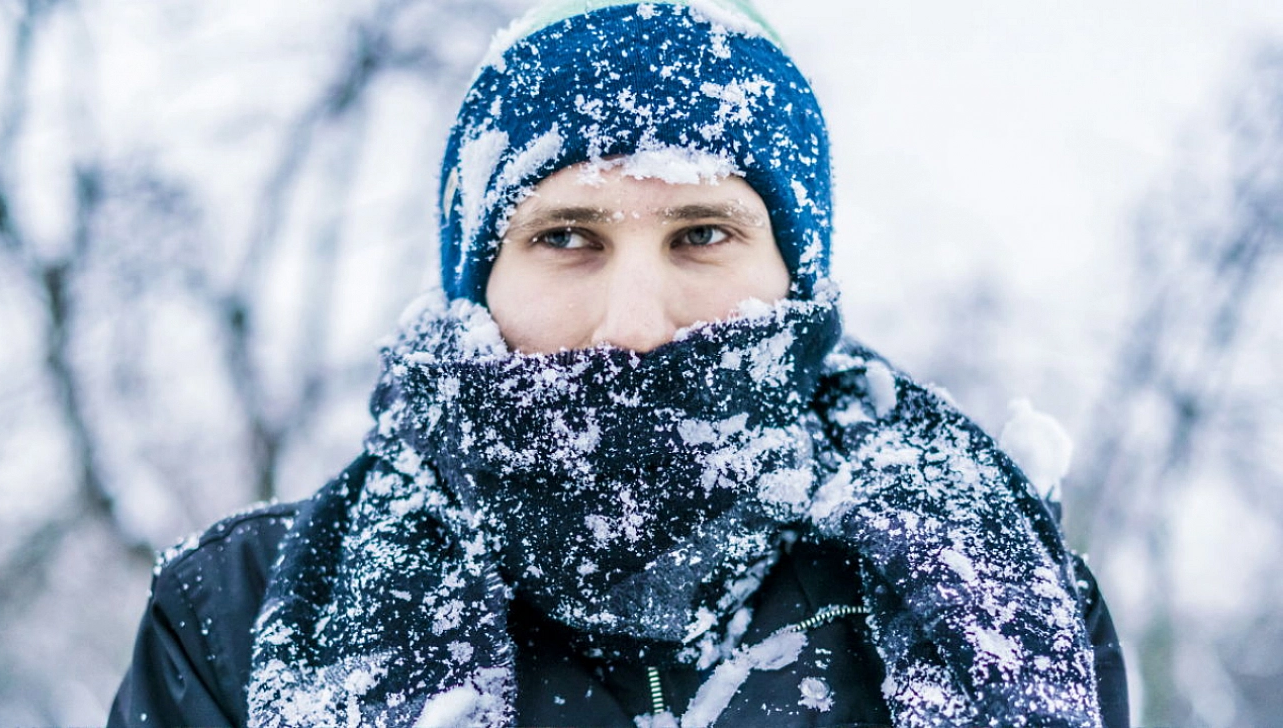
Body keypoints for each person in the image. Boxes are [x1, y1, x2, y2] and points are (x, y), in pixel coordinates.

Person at [108, 1, 1128, 726]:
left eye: (701, 235)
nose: (633, 323)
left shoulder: (991, 593)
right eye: (564, 236)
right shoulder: (240, 612)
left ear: (794, 273)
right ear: (478, 279)